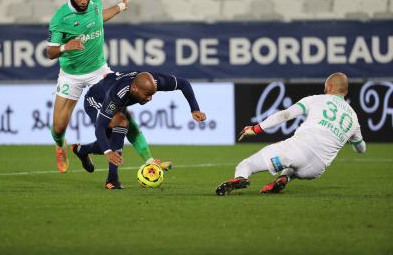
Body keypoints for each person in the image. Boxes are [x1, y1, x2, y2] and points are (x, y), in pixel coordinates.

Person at [47, 0, 164, 173]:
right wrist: (66, 46)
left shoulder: (95, 3)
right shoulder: (60, 18)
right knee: (59, 127)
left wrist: (120, 7)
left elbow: (99, 16)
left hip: (99, 72)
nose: (84, 1)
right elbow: (50, 52)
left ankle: (149, 159)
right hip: (71, 75)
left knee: (122, 116)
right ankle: (60, 147)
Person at [216, 72, 366, 196]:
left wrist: (256, 129)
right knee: (294, 167)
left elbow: (285, 115)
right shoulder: (353, 118)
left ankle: (241, 178)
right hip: (316, 169)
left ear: (329, 86)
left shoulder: (316, 99)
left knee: (246, 164)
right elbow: (361, 149)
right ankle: (284, 178)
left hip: (298, 150)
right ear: (345, 91)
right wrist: (353, 141)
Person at [72, 71, 207, 189]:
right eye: (147, 94)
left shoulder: (153, 81)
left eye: (152, 94)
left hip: (118, 102)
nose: (150, 98)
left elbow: (183, 83)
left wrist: (194, 109)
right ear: (135, 88)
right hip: (95, 100)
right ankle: (112, 180)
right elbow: (100, 127)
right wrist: (108, 152)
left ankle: (82, 150)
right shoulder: (117, 94)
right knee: (119, 126)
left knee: (126, 130)